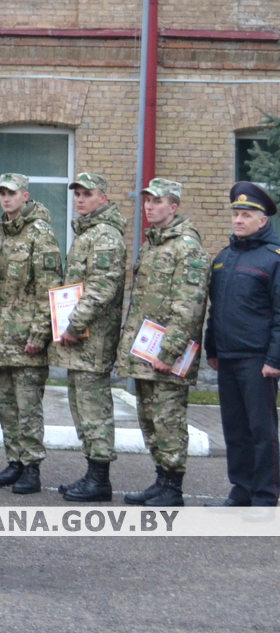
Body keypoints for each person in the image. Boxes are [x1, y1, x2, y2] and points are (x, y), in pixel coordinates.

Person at [119, 177, 208, 508]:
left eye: (157, 201)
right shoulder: (153, 243)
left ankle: (173, 487)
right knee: (150, 418)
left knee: (169, 419)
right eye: (147, 201)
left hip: (166, 355)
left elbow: (189, 305)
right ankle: (161, 480)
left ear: (174, 207)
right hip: (145, 351)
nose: (149, 206)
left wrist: (168, 352)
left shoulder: (187, 247)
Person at [0, 173, 63, 495]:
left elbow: (49, 289)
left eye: (11, 193)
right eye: (1, 192)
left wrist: (39, 335)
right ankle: (13, 462)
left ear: (25, 196)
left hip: (27, 339)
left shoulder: (40, 234)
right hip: (2, 337)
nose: (6, 198)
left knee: (28, 408)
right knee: (7, 405)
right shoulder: (1, 231)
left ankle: (32, 468)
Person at [54, 172, 129, 503]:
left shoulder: (106, 237)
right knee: (81, 406)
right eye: (77, 194)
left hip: (92, 339)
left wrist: (74, 323)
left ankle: (100, 479)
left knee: (94, 408)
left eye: (88, 193)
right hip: (80, 339)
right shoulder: (87, 232)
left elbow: (102, 287)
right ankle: (92, 472)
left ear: (104, 198)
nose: (81, 199)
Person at [205, 181, 280, 507]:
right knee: (234, 428)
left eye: (246, 214)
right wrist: (212, 349)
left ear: (262, 220)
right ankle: (241, 489)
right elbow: (215, 306)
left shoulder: (273, 258)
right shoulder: (224, 257)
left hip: (257, 359)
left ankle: (264, 495)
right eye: (236, 213)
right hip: (228, 356)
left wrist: (274, 359)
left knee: (261, 430)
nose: (238, 220)